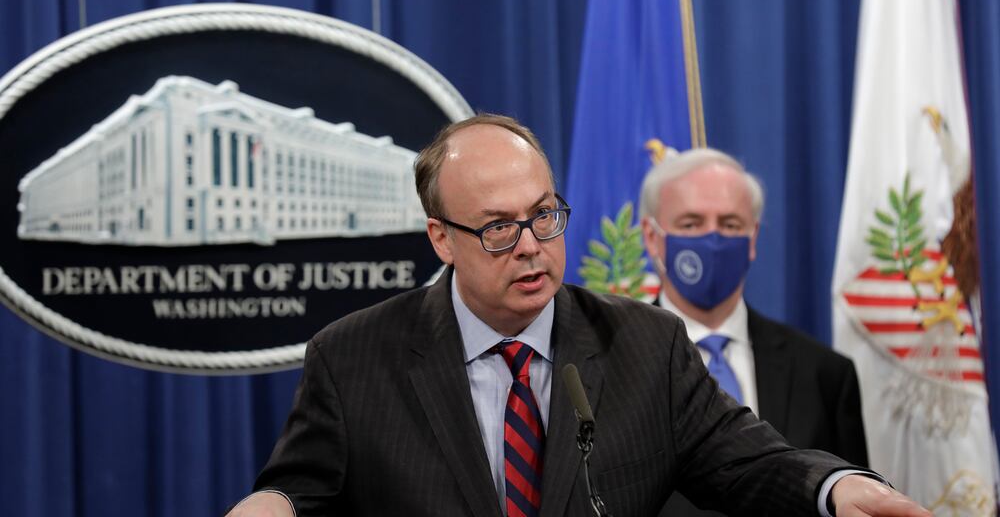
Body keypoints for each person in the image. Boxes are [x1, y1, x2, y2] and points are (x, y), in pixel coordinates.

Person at [228, 114, 929, 517]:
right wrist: (277, 505)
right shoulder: (353, 359)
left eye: (544, 216)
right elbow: (302, 491)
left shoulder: (644, 346)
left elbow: (750, 461)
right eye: (498, 228)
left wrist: (837, 489)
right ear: (441, 237)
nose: (532, 247)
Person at [637, 148, 869, 517]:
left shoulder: (824, 374)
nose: (712, 240)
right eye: (691, 223)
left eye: (729, 224)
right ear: (652, 237)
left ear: (753, 237)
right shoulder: (611, 364)